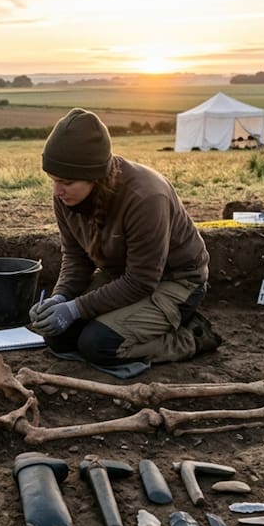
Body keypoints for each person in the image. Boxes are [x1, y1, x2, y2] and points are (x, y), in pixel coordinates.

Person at [29, 107, 220, 370]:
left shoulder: (146, 197)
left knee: (98, 344)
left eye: (66, 182)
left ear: (94, 177)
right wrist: (59, 299)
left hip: (175, 282)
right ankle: (134, 322)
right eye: (52, 180)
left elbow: (142, 280)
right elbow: (76, 258)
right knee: (57, 337)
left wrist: (76, 309)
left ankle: (191, 336)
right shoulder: (66, 195)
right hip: (122, 276)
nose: (57, 190)